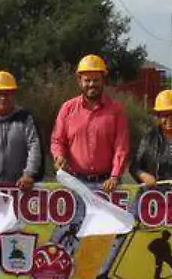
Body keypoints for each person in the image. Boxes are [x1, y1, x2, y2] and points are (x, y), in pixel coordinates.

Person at [50, 54, 130, 192]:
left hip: (108, 185)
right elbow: (57, 140)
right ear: (79, 81)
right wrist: (59, 156)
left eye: (96, 80)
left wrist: (114, 176)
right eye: (87, 80)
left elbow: (121, 147)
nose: (92, 84)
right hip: (75, 183)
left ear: (103, 80)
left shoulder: (117, 110)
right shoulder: (67, 108)